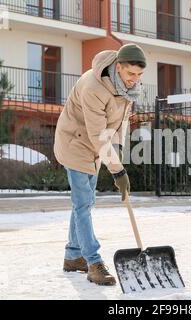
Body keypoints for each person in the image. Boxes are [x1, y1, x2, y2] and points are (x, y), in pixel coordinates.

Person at [54, 43, 146, 285]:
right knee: (83, 203)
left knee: (86, 202)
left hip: (95, 147)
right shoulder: (94, 86)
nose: (134, 80)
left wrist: (119, 155)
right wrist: (118, 171)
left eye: (139, 75)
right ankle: (93, 262)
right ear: (118, 67)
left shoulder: (128, 89)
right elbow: (98, 135)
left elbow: (120, 126)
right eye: (130, 74)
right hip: (75, 143)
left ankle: (73, 256)